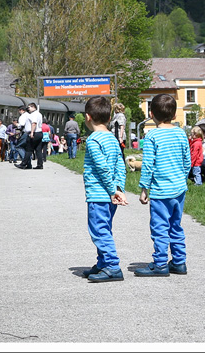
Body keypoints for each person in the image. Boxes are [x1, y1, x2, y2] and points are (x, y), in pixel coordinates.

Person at [135, 93, 191, 277]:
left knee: (160, 227)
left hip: (161, 192)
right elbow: (187, 162)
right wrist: (180, 178)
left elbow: (148, 165)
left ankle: (160, 264)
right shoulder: (181, 134)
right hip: (179, 190)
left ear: (151, 114)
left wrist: (144, 188)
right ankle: (179, 262)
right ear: (175, 115)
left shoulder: (152, 136)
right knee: (176, 226)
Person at [81, 95, 129, 283]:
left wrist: (111, 190)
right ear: (110, 118)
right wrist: (119, 189)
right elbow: (120, 166)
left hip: (99, 195)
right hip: (111, 195)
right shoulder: (112, 138)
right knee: (105, 229)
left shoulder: (93, 141)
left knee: (99, 231)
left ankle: (112, 266)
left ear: (87, 117)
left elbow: (102, 168)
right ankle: (102, 263)